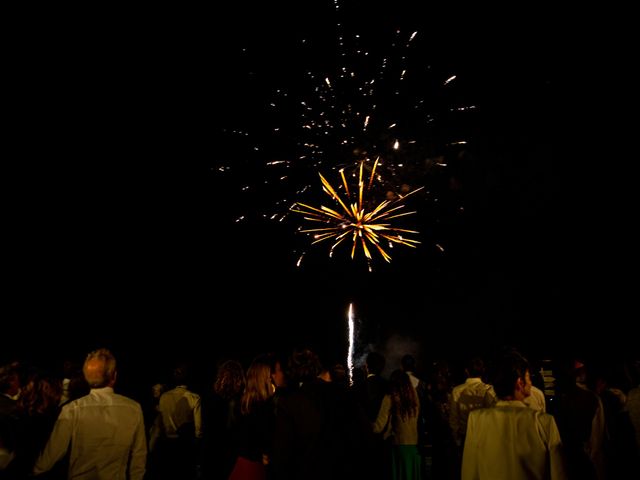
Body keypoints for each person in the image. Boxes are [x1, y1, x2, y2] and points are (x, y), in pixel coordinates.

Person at [33, 348, 146, 479]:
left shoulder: (72, 409)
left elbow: (52, 453)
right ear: (114, 376)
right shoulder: (133, 408)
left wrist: (35, 470)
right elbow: (139, 456)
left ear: (86, 377)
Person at [461, 352, 566, 480]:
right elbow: (558, 474)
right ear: (520, 382)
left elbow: (469, 473)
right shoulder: (544, 422)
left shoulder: (476, 419)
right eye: (528, 378)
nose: (530, 383)